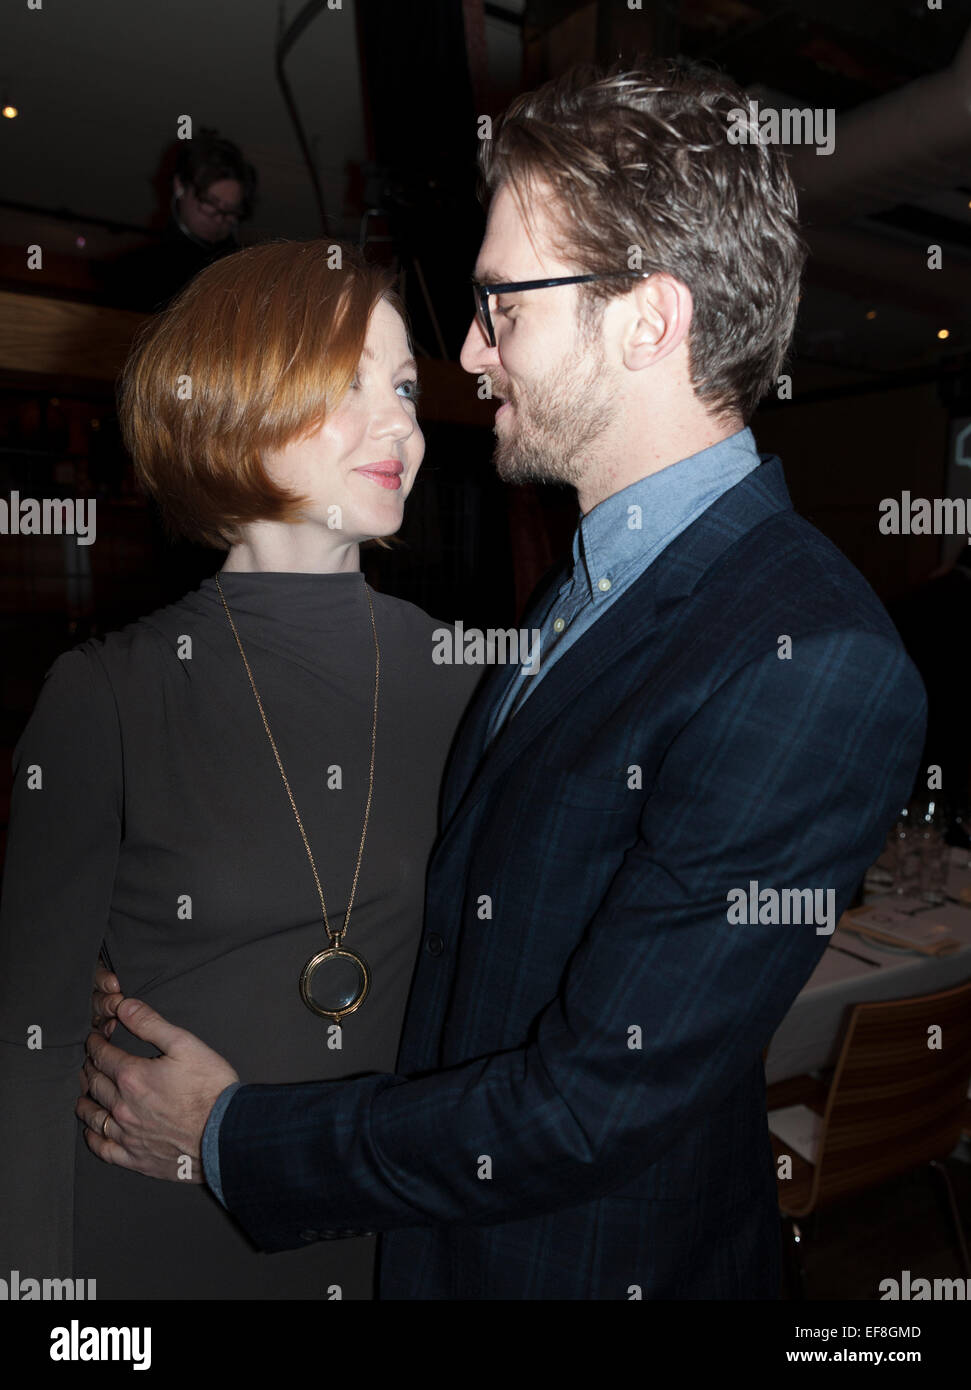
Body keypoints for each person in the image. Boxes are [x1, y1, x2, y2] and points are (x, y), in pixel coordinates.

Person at [77, 60, 926, 1300]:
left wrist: (223, 1134)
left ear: (648, 316)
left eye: (502, 306)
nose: (470, 355)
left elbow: (587, 1106)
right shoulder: (596, 582)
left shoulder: (811, 659)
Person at [0, 239, 482, 1299]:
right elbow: (26, 1055)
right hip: (156, 1237)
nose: (399, 420)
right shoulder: (107, 698)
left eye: (402, 384)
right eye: (348, 380)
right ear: (236, 395)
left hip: (379, 1214)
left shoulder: (462, 680)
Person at [106, 127, 257, 311]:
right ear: (180, 186)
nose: (220, 218)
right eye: (210, 202)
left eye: (231, 210)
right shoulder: (133, 271)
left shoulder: (247, 274)